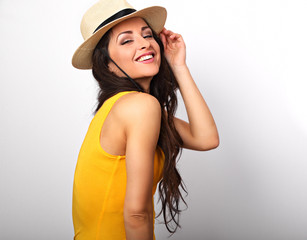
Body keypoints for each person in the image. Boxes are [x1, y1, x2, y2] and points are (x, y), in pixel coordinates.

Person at [72, 0, 219, 239]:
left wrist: (179, 66)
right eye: (127, 40)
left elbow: (206, 138)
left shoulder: (126, 107)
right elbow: (136, 213)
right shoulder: (139, 107)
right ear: (107, 64)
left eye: (147, 35)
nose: (144, 44)